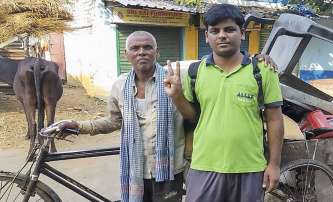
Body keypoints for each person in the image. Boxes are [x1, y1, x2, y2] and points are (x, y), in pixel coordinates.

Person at [164, 4, 284, 202]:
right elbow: (194, 116)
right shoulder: (196, 72)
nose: (222, 35)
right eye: (215, 31)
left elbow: (274, 120)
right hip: (204, 166)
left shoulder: (262, 71)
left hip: (250, 168)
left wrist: (274, 164)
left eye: (229, 29)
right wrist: (177, 96)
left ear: (242, 33)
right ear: (206, 37)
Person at [58, 31, 185, 202]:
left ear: (157, 52)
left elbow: (191, 116)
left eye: (147, 47)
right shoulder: (120, 85)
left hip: (169, 169)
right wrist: (78, 126)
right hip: (135, 170)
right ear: (126, 55)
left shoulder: (176, 80)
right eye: (135, 48)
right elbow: (114, 121)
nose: (141, 52)